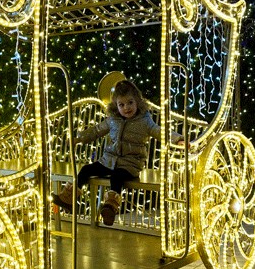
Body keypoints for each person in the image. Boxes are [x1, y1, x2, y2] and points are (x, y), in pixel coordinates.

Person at [52, 79, 184, 226]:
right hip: (108, 161)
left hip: (130, 165)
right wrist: (79, 139)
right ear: (116, 106)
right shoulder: (113, 120)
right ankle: (68, 199)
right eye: (121, 105)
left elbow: (160, 132)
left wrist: (177, 139)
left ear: (137, 102)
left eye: (130, 103)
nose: (126, 108)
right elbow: (96, 131)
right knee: (86, 170)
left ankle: (110, 208)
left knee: (116, 178)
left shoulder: (144, 121)